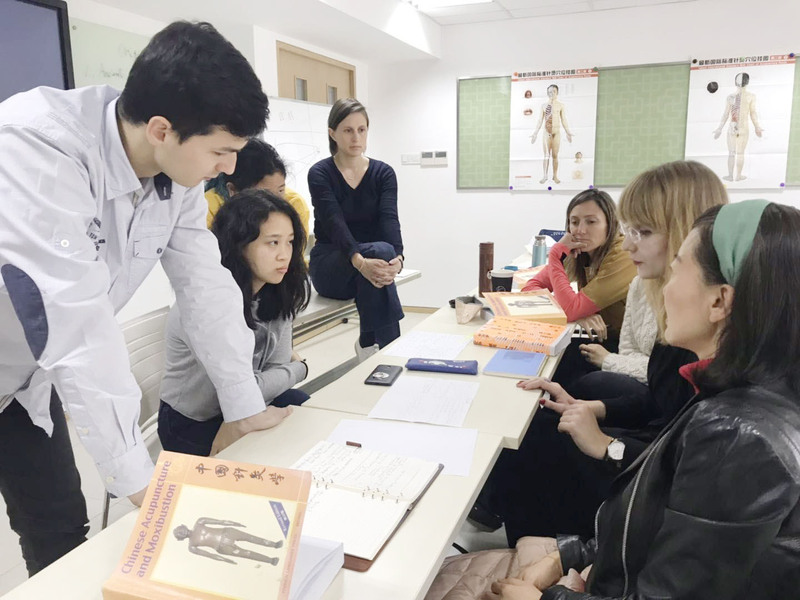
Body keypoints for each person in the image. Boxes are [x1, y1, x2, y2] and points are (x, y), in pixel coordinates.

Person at [0, 21, 290, 574]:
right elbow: (78, 326)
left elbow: (205, 286)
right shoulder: (38, 148)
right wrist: (145, 485)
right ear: (161, 129)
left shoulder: (174, 175)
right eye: (222, 151)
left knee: (60, 527)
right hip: (42, 345)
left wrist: (244, 408)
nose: (230, 168)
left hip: (23, 381)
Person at [428, 200, 800, 600]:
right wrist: (567, 555)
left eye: (677, 270)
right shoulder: (726, 393)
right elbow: (650, 524)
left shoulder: (737, 436)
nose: (665, 288)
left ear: (719, 301)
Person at [475, 161, 726, 543]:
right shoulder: (664, 304)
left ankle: (544, 553)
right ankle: (527, 544)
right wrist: (592, 408)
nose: (628, 244)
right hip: (648, 441)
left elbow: (689, 459)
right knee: (538, 422)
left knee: (535, 445)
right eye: (574, 222)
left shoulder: (702, 327)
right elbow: (664, 404)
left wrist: (608, 445)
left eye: (642, 232)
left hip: (651, 470)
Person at [159, 190, 311, 457]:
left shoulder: (279, 292)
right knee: (271, 456)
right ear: (239, 244)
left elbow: (273, 371)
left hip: (253, 403)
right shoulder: (202, 305)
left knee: (309, 416)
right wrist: (300, 368)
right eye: (272, 243)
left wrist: (284, 373)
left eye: (289, 242)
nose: (284, 255)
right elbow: (241, 388)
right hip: (194, 420)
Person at [308, 98, 404, 356]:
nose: (356, 137)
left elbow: (389, 218)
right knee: (379, 255)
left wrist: (398, 258)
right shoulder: (320, 173)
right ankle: (387, 349)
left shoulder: (383, 173)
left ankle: (371, 347)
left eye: (361, 130)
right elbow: (334, 223)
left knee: (382, 254)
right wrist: (360, 261)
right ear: (333, 134)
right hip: (332, 264)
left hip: (373, 264)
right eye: (348, 130)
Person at [522, 189, 637, 380]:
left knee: (560, 368)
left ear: (610, 224)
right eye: (574, 222)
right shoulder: (577, 252)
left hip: (627, 350)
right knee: (540, 355)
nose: (580, 230)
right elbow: (530, 288)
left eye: (591, 222)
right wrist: (580, 313)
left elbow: (572, 309)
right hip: (602, 337)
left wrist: (555, 255)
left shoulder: (623, 255)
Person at [205, 138, 310, 234]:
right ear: (233, 190)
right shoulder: (208, 207)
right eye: (265, 194)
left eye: (281, 190)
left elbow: (296, 247)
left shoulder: (294, 204)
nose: (277, 203)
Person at [713, 72, 763, 182]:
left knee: (731, 153)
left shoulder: (731, 97)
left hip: (732, 127)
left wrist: (719, 128)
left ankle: (731, 176)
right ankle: (738, 176)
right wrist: (757, 127)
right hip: (743, 128)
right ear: (747, 82)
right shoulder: (751, 96)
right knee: (740, 153)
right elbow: (753, 113)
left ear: (735, 82)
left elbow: (726, 114)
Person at [173, 518, 283, 565]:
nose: (181, 532)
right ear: (180, 538)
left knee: (251, 538)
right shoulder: (192, 546)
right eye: (179, 533)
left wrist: (234, 523)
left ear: (183, 526)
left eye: (180, 530)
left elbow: (220, 522)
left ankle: (274, 544)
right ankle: (270, 560)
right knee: (247, 554)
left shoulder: (200, 522)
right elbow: (210, 555)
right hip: (222, 547)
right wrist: (225, 560)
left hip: (227, 532)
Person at [530, 85, 574, 184]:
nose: (552, 93)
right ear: (547, 93)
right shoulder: (543, 106)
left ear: (557, 92)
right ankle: (545, 176)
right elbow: (540, 120)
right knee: (546, 155)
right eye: (550, 92)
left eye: (554, 91)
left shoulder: (561, 105)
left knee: (555, 155)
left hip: (556, 133)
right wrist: (535, 133)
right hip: (546, 133)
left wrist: (568, 132)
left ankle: (555, 176)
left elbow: (563, 119)